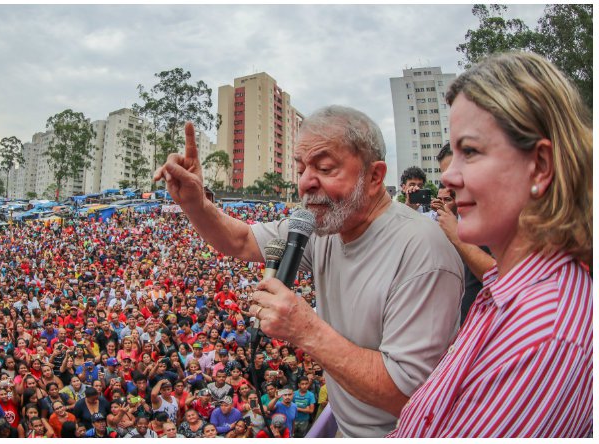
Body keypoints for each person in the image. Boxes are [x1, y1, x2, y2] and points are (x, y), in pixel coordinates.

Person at [157, 105, 464, 437]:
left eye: (325, 167)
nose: (305, 182)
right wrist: (195, 203)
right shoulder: (323, 226)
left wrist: (307, 331)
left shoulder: (423, 252)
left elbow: (413, 399)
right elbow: (242, 238)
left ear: (374, 177)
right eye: (301, 167)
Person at [389, 52, 592, 437]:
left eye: (471, 151)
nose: (448, 177)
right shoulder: (510, 290)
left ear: (541, 165)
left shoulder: (542, 336)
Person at [431, 142, 495, 325]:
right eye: (446, 178)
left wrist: (456, 236)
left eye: (458, 172)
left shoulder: (501, 218)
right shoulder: (462, 216)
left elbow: (507, 281)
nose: (452, 182)